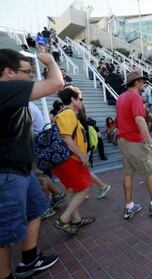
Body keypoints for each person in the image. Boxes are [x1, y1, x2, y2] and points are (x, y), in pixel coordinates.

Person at [0, 49, 64, 278]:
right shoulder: (5, 88)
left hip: (22, 170)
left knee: (35, 209)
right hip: (7, 174)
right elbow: (56, 82)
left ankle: (29, 260)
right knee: (3, 237)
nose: (30, 77)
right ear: (8, 72)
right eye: (26, 72)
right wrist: (49, 61)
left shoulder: (11, 94)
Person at [115, 72, 152, 219]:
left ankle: (129, 206)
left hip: (122, 140)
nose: (145, 85)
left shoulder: (121, 97)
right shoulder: (135, 97)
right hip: (134, 140)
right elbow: (139, 121)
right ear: (137, 83)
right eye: (143, 82)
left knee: (128, 173)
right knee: (151, 170)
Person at [52, 86, 95, 235]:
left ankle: (76, 219)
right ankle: (63, 219)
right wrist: (83, 156)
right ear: (73, 99)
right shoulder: (68, 113)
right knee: (85, 186)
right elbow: (67, 139)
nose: (82, 102)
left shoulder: (66, 114)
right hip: (70, 159)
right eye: (80, 99)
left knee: (73, 189)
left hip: (66, 160)